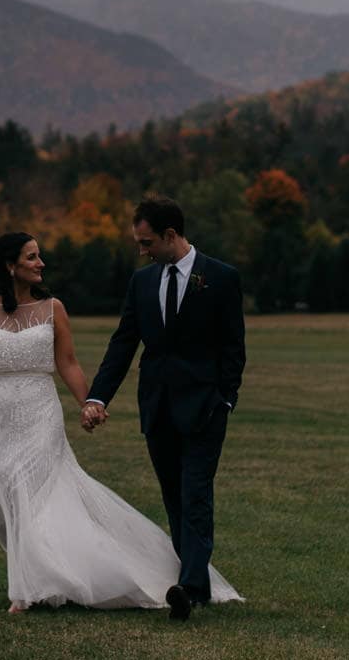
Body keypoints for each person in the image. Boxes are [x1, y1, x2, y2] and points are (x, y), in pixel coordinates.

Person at [0, 231, 238, 615]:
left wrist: (91, 403)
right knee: (7, 498)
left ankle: (25, 590)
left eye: (39, 255)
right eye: (31, 257)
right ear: (10, 265)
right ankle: (39, 576)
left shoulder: (53, 309)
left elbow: (68, 363)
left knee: (31, 493)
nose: (41, 262)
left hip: (39, 413)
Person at [83, 196, 248, 621]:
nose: (142, 250)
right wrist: (99, 396)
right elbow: (123, 344)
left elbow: (234, 347)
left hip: (205, 408)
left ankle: (190, 589)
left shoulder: (222, 278)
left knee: (196, 494)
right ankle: (197, 580)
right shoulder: (141, 283)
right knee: (174, 496)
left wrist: (225, 399)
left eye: (147, 241)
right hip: (156, 407)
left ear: (171, 236)